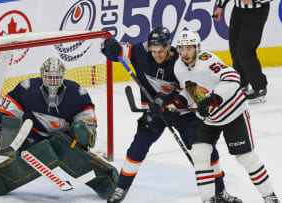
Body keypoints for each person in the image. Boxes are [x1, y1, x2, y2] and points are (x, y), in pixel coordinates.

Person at [102, 27, 241, 203]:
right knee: (137, 148)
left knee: (205, 150)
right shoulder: (139, 52)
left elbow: (189, 90)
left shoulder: (180, 63)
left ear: (169, 47)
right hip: (154, 113)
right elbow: (117, 50)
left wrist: (168, 100)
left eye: (161, 51)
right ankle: (121, 188)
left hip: (182, 113)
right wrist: (108, 46)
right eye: (153, 51)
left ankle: (220, 191)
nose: (157, 55)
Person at [0, 57, 118, 199]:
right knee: (40, 148)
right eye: (49, 77)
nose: (53, 81)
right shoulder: (27, 88)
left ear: (63, 76)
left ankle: (105, 180)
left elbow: (87, 118)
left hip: (63, 139)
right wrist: (13, 140)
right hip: (33, 137)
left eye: (57, 77)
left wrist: (87, 128)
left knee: (62, 142)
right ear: (42, 75)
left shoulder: (77, 93)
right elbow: (4, 113)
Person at [173, 30, 280, 203]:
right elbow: (189, 88)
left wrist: (212, 99)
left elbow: (232, 78)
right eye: (182, 48)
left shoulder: (208, 61)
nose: (185, 53)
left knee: (246, 158)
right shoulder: (178, 67)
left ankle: (270, 197)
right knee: (200, 156)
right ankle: (208, 200)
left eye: (189, 48)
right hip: (208, 118)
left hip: (233, 113)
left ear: (197, 48)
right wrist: (175, 104)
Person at [213, 0, 272, 103]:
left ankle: (260, 88)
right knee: (235, 49)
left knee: (245, 52)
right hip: (238, 10)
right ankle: (241, 84)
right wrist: (220, 6)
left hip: (256, 12)